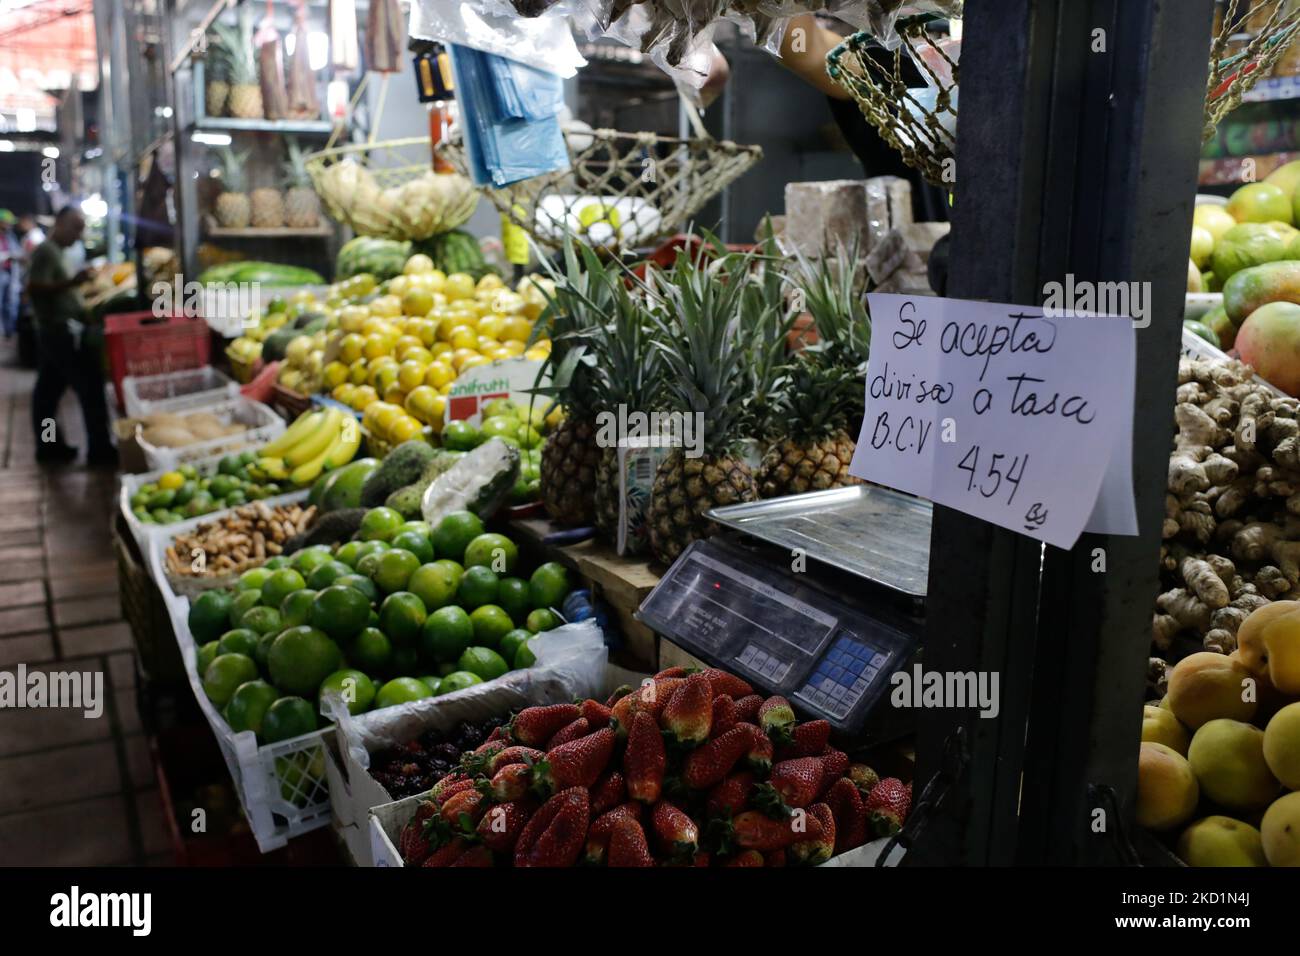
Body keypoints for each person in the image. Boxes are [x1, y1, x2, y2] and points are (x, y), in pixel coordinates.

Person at [26, 206, 116, 467]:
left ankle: (49, 446)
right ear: (60, 223)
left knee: (48, 394)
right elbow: (33, 287)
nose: (80, 233)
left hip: (56, 332)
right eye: (76, 227)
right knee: (89, 388)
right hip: (59, 333)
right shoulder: (45, 251)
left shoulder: (58, 252)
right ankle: (99, 449)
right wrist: (71, 283)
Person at [0, 210, 17, 338]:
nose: (9, 225)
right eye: (7, 223)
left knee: (8, 303)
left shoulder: (8, 236)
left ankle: (8, 332)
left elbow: (15, 250)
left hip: (8, 273)